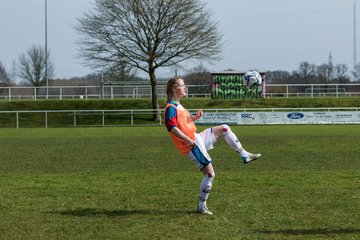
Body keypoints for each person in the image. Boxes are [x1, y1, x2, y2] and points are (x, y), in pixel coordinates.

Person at [164, 77, 261, 215]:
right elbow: (172, 127)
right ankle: (201, 206)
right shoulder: (170, 108)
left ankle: (245, 155)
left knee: (225, 129)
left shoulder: (178, 106)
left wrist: (194, 118)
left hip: (196, 137)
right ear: (174, 89)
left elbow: (182, 124)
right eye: (182, 85)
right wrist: (187, 140)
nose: (185, 88)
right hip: (192, 144)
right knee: (210, 174)